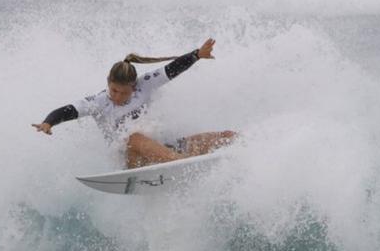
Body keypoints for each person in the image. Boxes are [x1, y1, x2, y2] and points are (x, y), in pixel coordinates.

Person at [32, 38, 236, 168]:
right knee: (134, 138)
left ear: (134, 86)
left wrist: (197, 55)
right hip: (130, 160)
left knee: (225, 137)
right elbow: (68, 111)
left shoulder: (144, 85)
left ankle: (250, 151)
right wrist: (48, 122)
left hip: (161, 151)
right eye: (114, 90)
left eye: (124, 93)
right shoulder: (98, 102)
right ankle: (181, 165)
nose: (118, 97)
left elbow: (172, 69)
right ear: (108, 83)